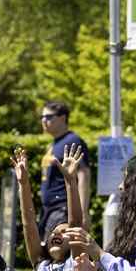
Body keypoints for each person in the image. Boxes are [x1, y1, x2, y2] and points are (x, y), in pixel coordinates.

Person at [39, 101, 91, 237]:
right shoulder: (54, 144)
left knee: (58, 253)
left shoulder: (72, 141)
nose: (44, 120)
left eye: (49, 117)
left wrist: (83, 212)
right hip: (49, 210)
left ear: (62, 118)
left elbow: (83, 175)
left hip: (63, 210)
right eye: (42, 117)